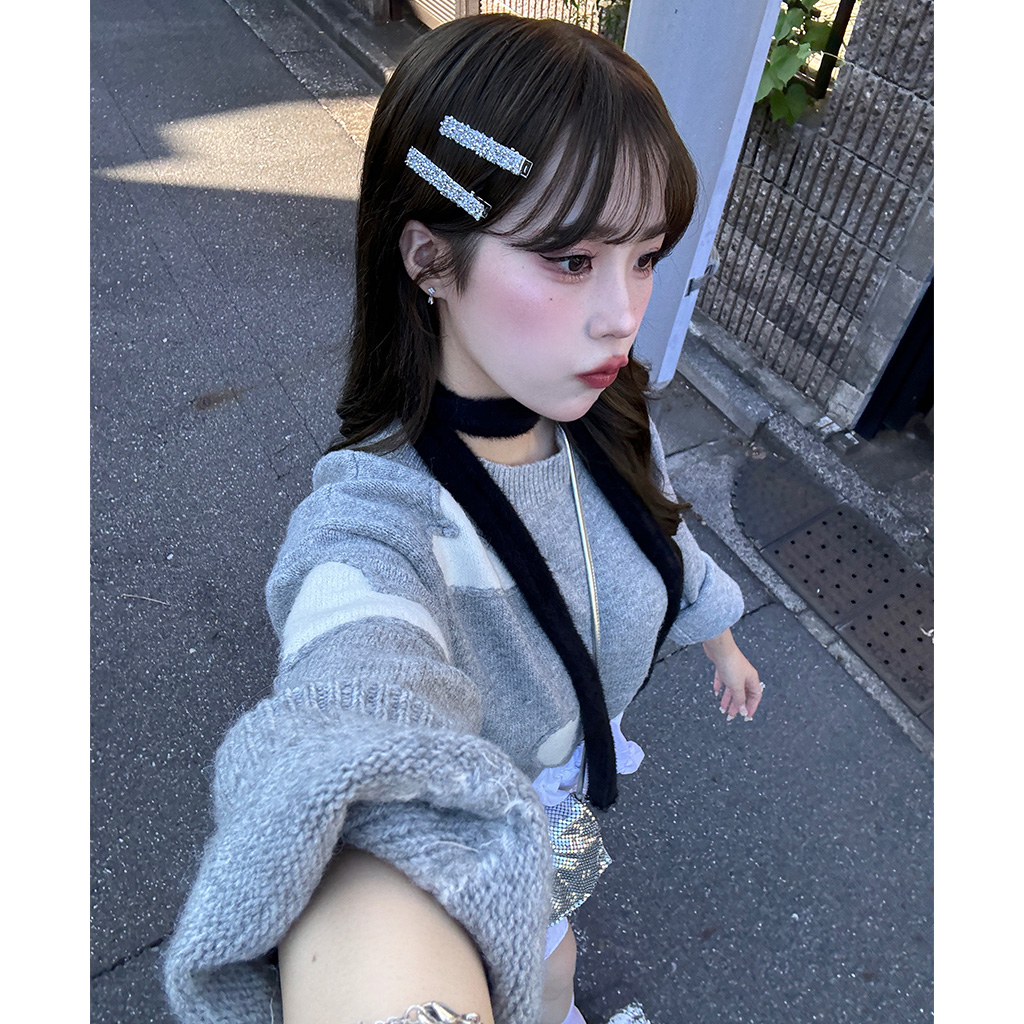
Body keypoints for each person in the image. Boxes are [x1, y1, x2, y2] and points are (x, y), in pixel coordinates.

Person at [164, 14, 763, 1024]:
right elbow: (352, 719)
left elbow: (664, 536)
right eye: (570, 259)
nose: (624, 313)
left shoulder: (609, 412)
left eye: (645, 256)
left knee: (556, 946)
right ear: (430, 258)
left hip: (565, 797)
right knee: (545, 964)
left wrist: (721, 638)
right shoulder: (380, 519)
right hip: (480, 830)